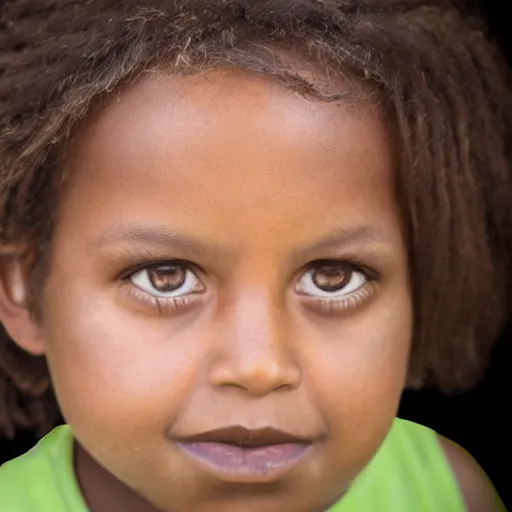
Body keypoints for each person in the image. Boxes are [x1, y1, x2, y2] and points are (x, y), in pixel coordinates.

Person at [0, 1, 510, 510]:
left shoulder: (447, 492)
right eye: (165, 277)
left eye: (333, 277)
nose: (258, 366)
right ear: (23, 290)